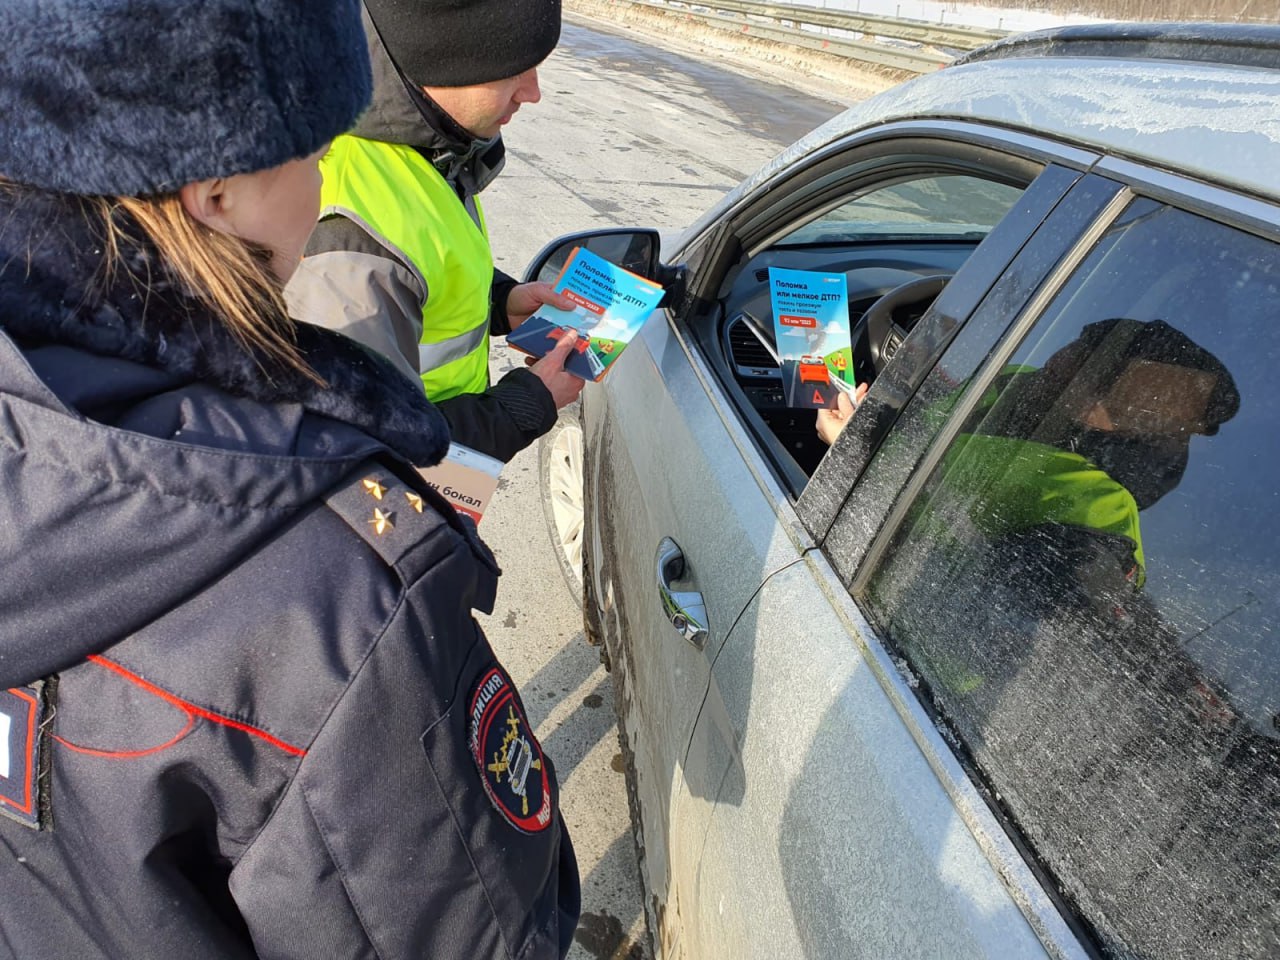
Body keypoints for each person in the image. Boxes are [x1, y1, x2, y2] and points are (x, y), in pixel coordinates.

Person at [0, 2, 578, 958]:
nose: (324, 185)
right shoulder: (334, 603)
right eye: (310, 154)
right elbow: (482, 929)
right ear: (217, 193)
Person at [286, 0, 585, 463]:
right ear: (445, 60)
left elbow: (423, 269)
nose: (533, 93)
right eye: (515, 70)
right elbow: (363, 445)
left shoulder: (419, 149)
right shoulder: (350, 232)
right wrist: (531, 401)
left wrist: (500, 302)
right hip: (400, 509)